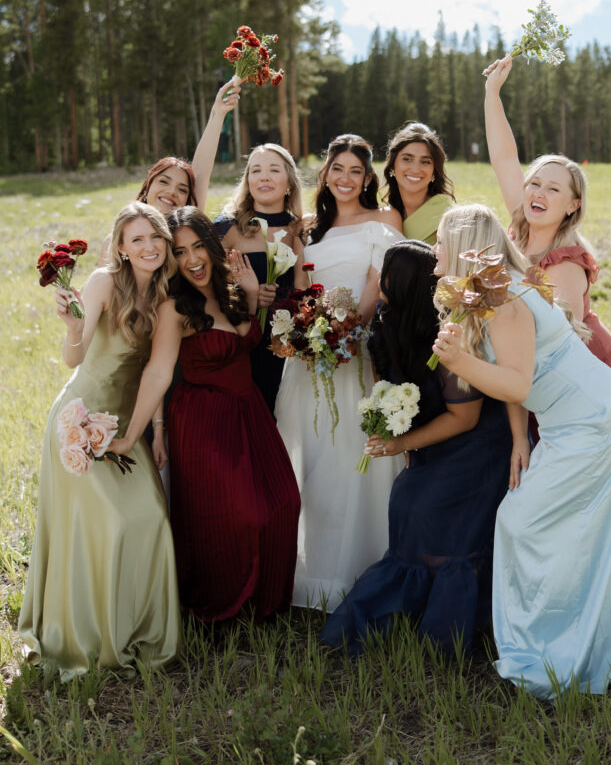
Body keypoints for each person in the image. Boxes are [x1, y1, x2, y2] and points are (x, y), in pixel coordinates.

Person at [432, 204, 611, 698]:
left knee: (521, 522)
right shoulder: (487, 292)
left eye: (441, 241)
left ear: (463, 246)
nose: (435, 251)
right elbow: (516, 373)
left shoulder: (503, 296)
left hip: (594, 421)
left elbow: (516, 379)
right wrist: (518, 436)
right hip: (576, 420)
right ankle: (555, 646)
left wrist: (459, 358)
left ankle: (543, 657)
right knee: (561, 529)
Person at [483, 53, 611, 607]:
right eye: (534, 183)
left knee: (577, 479)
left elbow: (558, 340)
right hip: (536, 368)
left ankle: (595, 582)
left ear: (573, 205)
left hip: (581, 369)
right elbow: (502, 156)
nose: (537, 191)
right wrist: (493, 96)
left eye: (553, 188)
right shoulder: (519, 227)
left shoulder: (565, 258)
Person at [320, 241, 511, 654]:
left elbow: (466, 417)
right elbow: (391, 386)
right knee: (407, 510)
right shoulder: (387, 323)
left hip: (478, 448)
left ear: (402, 281)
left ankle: (450, 626)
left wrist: (401, 443)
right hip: (433, 441)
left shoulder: (448, 337)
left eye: (385, 272)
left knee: (429, 517)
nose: (378, 279)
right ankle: (410, 608)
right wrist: (392, 427)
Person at [18, 203, 181, 680]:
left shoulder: (170, 298)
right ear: (122, 249)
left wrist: (153, 430)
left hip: (128, 423)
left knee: (149, 517)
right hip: (80, 420)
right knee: (107, 520)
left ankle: (135, 630)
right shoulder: (104, 283)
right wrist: (73, 328)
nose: (148, 246)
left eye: (155, 236)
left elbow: (161, 371)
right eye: (136, 240)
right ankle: (87, 633)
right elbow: (74, 358)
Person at [116, 206, 301, 621]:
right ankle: (219, 608)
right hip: (204, 420)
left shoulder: (232, 291)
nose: (193, 259)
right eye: (180, 252)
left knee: (284, 501)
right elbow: (159, 371)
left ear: (214, 247)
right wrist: (134, 435)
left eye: (199, 247)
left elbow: (244, 340)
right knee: (240, 513)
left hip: (249, 412)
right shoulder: (174, 308)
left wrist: (252, 295)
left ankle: (263, 606)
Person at [275, 134, 404, 610]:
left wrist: (349, 333)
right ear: (325, 175)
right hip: (311, 358)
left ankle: (360, 573)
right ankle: (310, 576)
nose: (345, 179)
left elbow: (377, 284)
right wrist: (313, 333)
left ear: (368, 178)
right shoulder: (308, 229)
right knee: (311, 458)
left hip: (356, 350)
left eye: (356, 171)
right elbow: (304, 286)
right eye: (337, 169)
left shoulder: (384, 221)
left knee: (353, 459)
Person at [98, 79, 242, 263]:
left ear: (187, 202)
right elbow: (97, 288)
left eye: (182, 189)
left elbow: (201, 172)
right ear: (147, 187)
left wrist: (218, 113)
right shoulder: (115, 243)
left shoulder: (183, 235)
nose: (172, 191)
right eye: (164, 181)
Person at [213, 144, 307, 413]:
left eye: (273, 170)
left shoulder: (299, 228)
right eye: (256, 170)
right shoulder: (226, 227)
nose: (263, 176)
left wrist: (284, 298)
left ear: (289, 181)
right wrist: (244, 292)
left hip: (285, 351)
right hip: (239, 347)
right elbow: (205, 285)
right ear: (248, 181)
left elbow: (305, 288)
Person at [384, 122, 455, 244]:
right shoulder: (385, 216)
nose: (416, 169)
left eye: (425, 162)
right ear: (392, 166)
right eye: (407, 159)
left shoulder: (448, 215)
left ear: (434, 171)